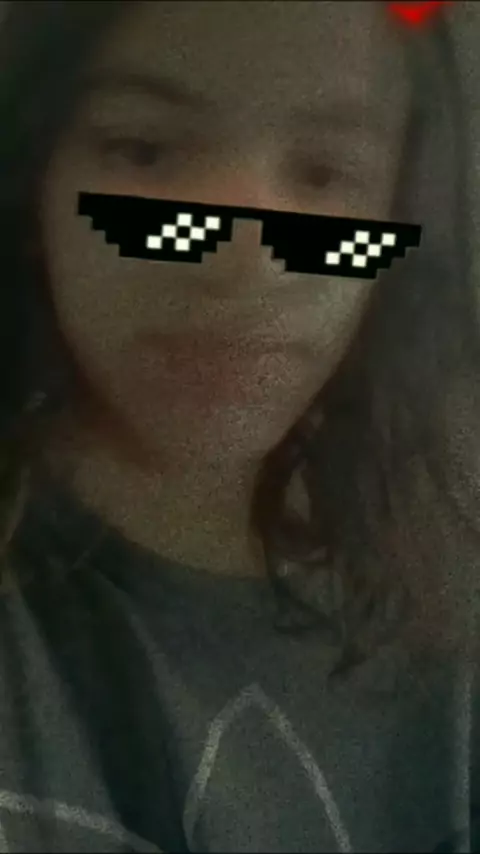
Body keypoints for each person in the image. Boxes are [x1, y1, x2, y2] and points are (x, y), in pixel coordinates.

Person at [0, 1, 479, 851]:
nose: (244, 259)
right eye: (145, 151)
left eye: (325, 174)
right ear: (35, 184)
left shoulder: (442, 615)